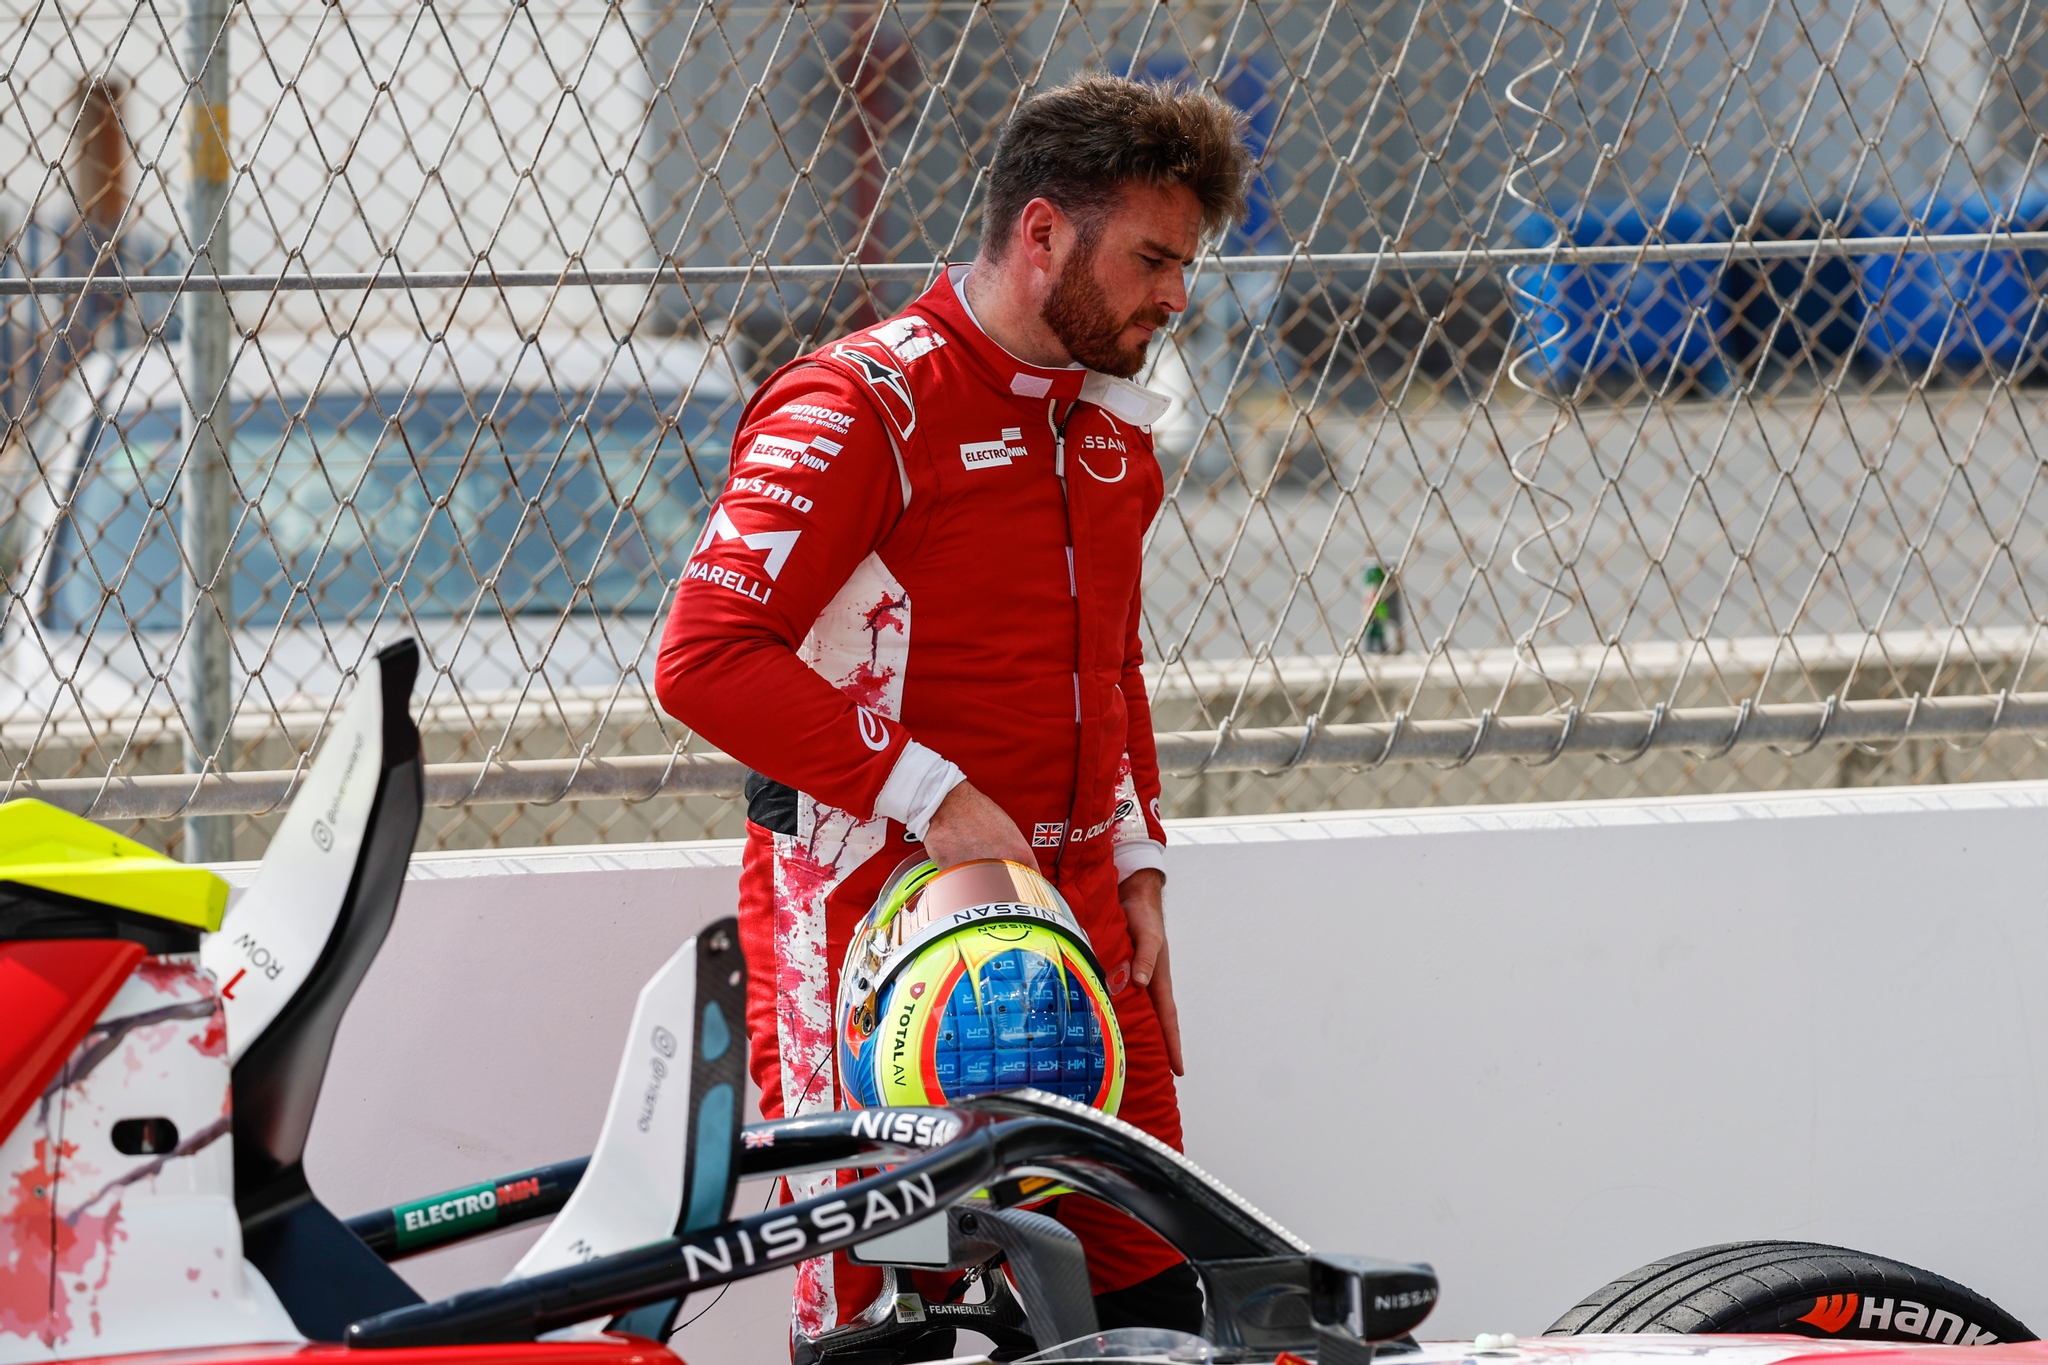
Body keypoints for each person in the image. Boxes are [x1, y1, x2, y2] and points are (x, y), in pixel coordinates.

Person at [654, 74, 1251, 1359]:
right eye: (1151, 258)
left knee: (1158, 1299)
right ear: (1041, 236)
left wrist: (1137, 861)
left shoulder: (1112, 424)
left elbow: (1112, 666)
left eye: (1183, 264)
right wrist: (932, 797)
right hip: (878, 924)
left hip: (1077, 917)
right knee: (889, 1318)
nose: (1174, 296)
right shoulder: (861, 403)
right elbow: (702, 658)